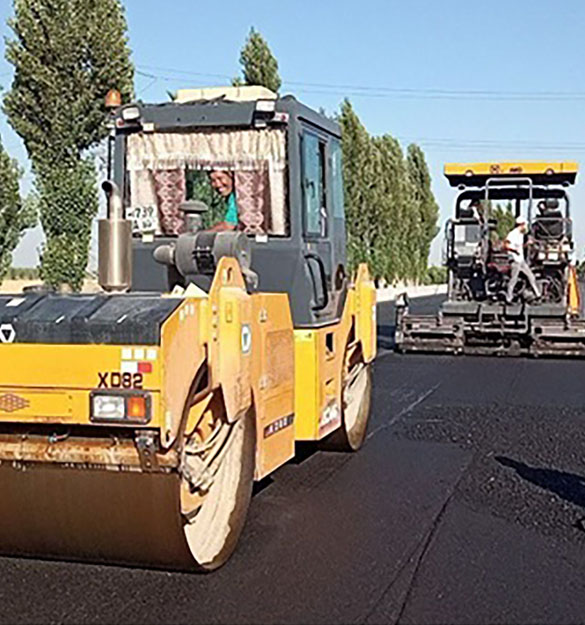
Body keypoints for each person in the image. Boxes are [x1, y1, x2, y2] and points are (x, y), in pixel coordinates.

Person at [504, 216, 541, 303]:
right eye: (525, 225)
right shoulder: (512, 234)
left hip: (521, 261)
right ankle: (508, 298)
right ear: (521, 225)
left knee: (531, 276)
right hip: (515, 261)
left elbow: (520, 247)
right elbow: (506, 245)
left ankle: (538, 294)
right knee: (513, 279)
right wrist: (514, 250)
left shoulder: (521, 235)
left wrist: (527, 244)